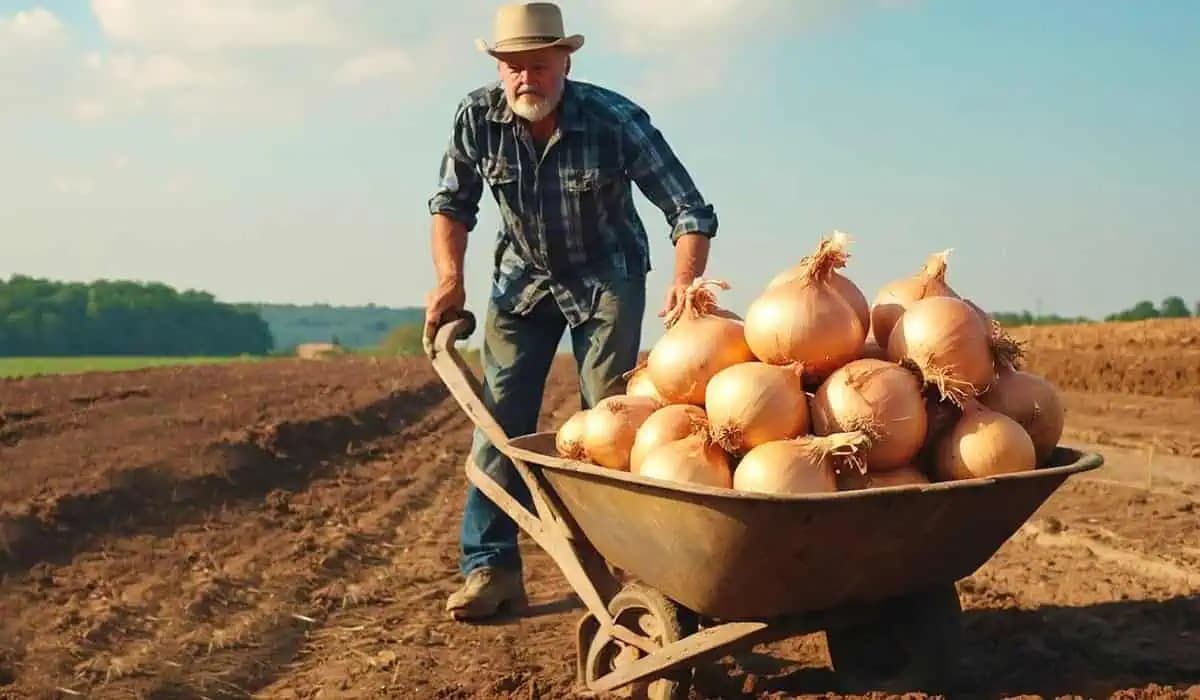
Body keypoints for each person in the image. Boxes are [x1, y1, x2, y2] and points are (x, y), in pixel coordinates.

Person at [424, 1, 718, 621]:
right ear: (499, 69)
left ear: (565, 60)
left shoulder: (614, 119)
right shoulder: (476, 117)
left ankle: (624, 569)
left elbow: (689, 209)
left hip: (606, 278)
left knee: (610, 425)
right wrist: (449, 279)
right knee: (498, 425)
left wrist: (685, 281)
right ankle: (491, 569)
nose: (525, 77)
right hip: (520, 282)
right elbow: (453, 202)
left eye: (538, 63)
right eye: (513, 67)